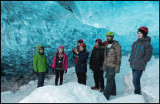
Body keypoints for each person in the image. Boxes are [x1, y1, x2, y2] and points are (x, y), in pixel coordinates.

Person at [129, 26, 153, 95]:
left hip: (140, 66)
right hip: (134, 65)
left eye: (140, 33)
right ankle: (137, 92)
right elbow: (133, 52)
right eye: (138, 33)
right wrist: (130, 59)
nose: (139, 34)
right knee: (135, 80)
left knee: (135, 80)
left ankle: (137, 93)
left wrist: (143, 62)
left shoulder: (147, 44)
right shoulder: (135, 43)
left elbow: (148, 56)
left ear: (144, 34)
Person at [103, 32, 121, 100]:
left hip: (113, 65)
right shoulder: (106, 45)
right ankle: (113, 92)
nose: (108, 38)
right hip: (107, 65)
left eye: (109, 37)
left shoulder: (116, 45)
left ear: (112, 37)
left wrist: (118, 66)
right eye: (107, 36)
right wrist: (104, 65)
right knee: (111, 79)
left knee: (109, 80)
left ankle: (105, 96)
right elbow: (105, 56)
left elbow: (119, 56)